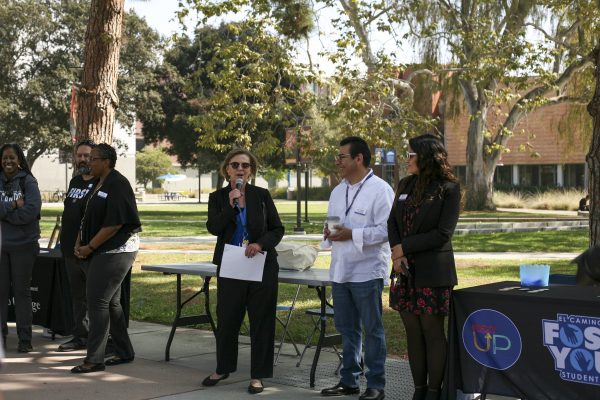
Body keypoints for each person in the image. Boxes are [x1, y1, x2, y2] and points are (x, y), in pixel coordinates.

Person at [203, 148, 284, 394]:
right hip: (231, 264)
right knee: (227, 319)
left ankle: (258, 376)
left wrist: (260, 244)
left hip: (261, 265)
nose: (240, 169)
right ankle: (223, 367)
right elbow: (214, 228)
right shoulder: (218, 197)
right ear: (227, 169)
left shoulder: (261, 195)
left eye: (245, 166)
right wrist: (230, 205)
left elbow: (277, 229)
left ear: (251, 171)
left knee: (261, 321)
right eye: (235, 165)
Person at [387, 134, 461, 400]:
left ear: (426, 156)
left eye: (410, 154)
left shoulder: (449, 188)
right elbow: (392, 222)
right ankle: (418, 389)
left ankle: (434, 391)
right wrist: (397, 254)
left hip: (433, 271)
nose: (406, 159)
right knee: (413, 332)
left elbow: (443, 233)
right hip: (405, 270)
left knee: (432, 332)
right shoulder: (406, 184)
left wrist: (405, 247)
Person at [320, 137, 393, 400]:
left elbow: (387, 230)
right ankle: (348, 380)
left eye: (341, 157)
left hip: (367, 270)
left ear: (359, 159)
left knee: (372, 330)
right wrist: (328, 233)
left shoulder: (380, 189)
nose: (337, 162)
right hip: (340, 269)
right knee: (347, 328)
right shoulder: (338, 190)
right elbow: (331, 225)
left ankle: (376, 384)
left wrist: (353, 234)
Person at [70, 143, 141, 373]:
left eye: (94, 158)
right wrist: (79, 242)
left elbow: (114, 224)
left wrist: (89, 247)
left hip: (117, 250)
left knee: (97, 301)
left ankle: (95, 359)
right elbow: (88, 217)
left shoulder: (118, 184)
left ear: (107, 161)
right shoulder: (98, 183)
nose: (89, 162)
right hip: (99, 248)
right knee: (110, 303)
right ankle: (124, 351)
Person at [0, 143, 42, 353]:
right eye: (5, 158)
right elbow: (20, 210)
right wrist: (14, 205)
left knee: (21, 292)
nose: (8, 162)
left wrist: (5, 215)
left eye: (12, 158)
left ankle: (25, 340)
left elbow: (32, 211)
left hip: (24, 246)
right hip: (1, 246)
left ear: (19, 160)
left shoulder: (28, 181)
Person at [57, 139, 98, 352]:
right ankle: (80, 336)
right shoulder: (75, 182)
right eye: (79, 155)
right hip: (69, 250)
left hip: (89, 251)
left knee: (95, 298)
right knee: (78, 296)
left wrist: (87, 245)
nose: (82, 159)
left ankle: (99, 340)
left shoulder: (100, 183)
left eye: (87, 156)